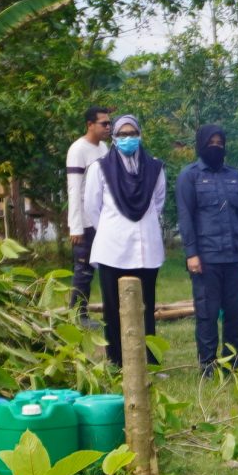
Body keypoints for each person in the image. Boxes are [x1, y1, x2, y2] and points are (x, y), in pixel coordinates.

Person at [76, 112, 168, 368]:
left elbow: (158, 202)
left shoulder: (155, 167)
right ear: (114, 138)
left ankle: (149, 361)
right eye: (122, 134)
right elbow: (92, 207)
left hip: (146, 248)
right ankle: (117, 362)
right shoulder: (100, 168)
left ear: (140, 135)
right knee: (113, 308)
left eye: (133, 133)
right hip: (112, 249)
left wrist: (141, 223)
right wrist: (115, 228)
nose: (128, 138)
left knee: (146, 307)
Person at [175, 122, 238, 377]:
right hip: (206, 257)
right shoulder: (189, 176)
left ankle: (233, 362)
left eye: (220, 143)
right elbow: (185, 217)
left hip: (235, 256)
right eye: (211, 143)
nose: (216, 147)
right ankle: (207, 366)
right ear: (201, 145)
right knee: (207, 313)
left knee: (237, 312)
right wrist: (192, 254)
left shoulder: (235, 176)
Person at [65, 107, 113, 316]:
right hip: (84, 222)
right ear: (90, 124)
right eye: (104, 123)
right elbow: (74, 189)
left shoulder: (104, 148)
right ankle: (78, 314)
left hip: (102, 219)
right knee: (83, 271)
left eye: (109, 123)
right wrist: (76, 227)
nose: (108, 127)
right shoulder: (78, 149)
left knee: (104, 268)